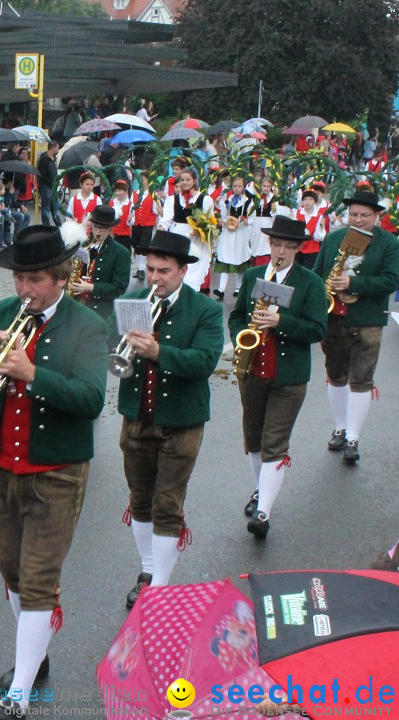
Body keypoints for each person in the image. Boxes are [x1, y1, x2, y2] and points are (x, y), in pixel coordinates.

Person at [0, 226, 106, 718]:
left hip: (57, 469)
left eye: (35, 279)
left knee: (37, 582)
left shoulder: (87, 326)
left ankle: (18, 695)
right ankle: (33, 658)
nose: (25, 290)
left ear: (59, 278)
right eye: (19, 279)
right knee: (13, 575)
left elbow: (91, 400)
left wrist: (34, 374)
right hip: (2, 466)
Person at [115, 230, 223, 609]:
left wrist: (158, 350)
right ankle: (147, 569)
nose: (155, 278)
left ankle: (159, 586)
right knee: (140, 498)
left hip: (182, 420)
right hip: (136, 416)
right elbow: (118, 355)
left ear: (182, 271)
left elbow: (204, 363)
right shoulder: (132, 300)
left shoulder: (205, 310)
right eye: (149, 269)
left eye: (163, 270)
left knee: (167, 502)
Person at [229, 216, 327, 540]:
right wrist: (241, 336)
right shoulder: (255, 274)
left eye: (288, 246)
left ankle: (263, 512)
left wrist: (280, 321)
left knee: (274, 443)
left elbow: (317, 329)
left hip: (289, 376)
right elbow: (235, 316)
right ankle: (261, 490)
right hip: (252, 370)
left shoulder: (310, 283)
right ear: (269, 244)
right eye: (276, 244)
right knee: (253, 440)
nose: (280, 251)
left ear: (298, 248)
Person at [312, 190, 399, 465]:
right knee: (335, 375)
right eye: (353, 214)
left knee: (361, 379)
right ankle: (339, 427)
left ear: (377, 216)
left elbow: (391, 280)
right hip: (334, 318)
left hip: (367, 319)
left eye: (364, 215)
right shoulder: (334, 238)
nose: (358, 220)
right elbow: (316, 274)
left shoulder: (389, 243)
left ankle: (353, 437)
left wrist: (354, 284)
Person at [158, 169, 214, 292]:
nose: (185, 182)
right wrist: (161, 228)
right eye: (182, 180)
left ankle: (192, 294)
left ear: (194, 181)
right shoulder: (173, 200)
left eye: (188, 179)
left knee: (193, 271)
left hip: (196, 240)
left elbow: (210, 221)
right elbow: (167, 219)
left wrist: (201, 229)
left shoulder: (204, 199)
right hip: (178, 238)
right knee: (178, 269)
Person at [72, 207, 130, 320]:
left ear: (109, 229)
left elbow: (119, 287)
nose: (98, 231)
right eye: (95, 226)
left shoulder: (121, 253)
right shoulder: (82, 245)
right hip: (77, 305)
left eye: (102, 228)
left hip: (101, 310)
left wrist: (91, 287)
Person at [214, 175, 253, 300]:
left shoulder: (247, 202)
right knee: (226, 258)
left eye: (239, 186)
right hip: (228, 234)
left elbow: (252, 218)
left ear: (243, 187)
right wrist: (222, 221)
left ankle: (238, 287)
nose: (236, 188)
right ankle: (221, 288)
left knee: (240, 259)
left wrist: (246, 221)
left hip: (240, 234)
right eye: (234, 186)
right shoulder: (228, 200)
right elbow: (224, 215)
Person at [293, 190, 328, 269]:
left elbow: (318, 237)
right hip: (298, 249)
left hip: (311, 250)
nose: (307, 202)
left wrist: (321, 227)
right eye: (305, 199)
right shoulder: (297, 213)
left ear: (314, 202)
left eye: (310, 199)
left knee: (308, 272)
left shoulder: (319, 216)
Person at [38, 140, 61, 227]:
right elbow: (42, 174)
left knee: (54, 207)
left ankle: (59, 226)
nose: (58, 150)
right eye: (57, 148)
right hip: (46, 186)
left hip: (53, 186)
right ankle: (46, 226)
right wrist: (50, 183)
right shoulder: (44, 158)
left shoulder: (53, 159)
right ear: (53, 147)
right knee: (46, 207)